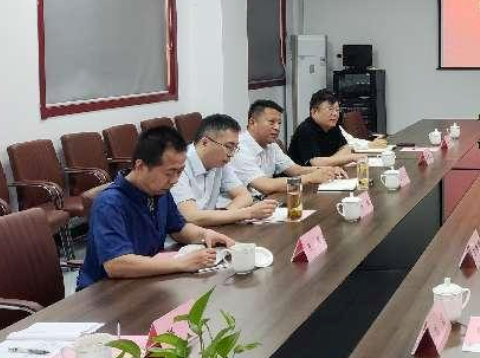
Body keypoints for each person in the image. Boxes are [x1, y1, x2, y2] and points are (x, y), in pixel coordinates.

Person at [77, 127, 235, 290]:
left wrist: (205, 234)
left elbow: (179, 228)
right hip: (106, 291)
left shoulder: (159, 191)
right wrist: (181, 263)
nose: (174, 180)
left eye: (180, 172)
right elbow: (117, 265)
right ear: (140, 166)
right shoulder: (109, 203)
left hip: (146, 279)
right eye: (169, 173)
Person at [223, 100, 346, 203]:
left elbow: (296, 170)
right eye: (271, 122)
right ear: (252, 122)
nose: (277, 128)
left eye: (279, 123)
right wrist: (309, 178)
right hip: (241, 209)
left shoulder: (272, 145)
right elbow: (266, 186)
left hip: (266, 202)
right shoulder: (239, 148)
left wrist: (327, 170)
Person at [171, 114, 278, 227]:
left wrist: (225, 216)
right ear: (205, 142)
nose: (231, 154)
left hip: (210, 229)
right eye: (228, 147)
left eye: (235, 148)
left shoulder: (220, 161)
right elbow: (191, 217)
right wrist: (248, 213)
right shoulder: (178, 164)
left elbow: (245, 196)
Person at [288, 89, 365, 167]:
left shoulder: (332, 126)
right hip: (303, 174)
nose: (335, 114)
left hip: (326, 173)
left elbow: (346, 149)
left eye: (337, 110)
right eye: (330, 109)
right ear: (314, 112)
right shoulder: (305, 130)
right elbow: (317, 163)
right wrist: (350, 158)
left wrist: (329, 163)